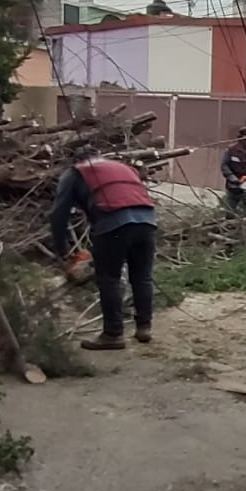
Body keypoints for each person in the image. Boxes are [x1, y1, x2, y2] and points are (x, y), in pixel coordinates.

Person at [51, 146, 158, 350]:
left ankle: (113, 334)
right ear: (98, 156)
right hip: (147, 221)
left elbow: (58, 215)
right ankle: (144, 327)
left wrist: (63, 251)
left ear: (75, 160)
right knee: (142, 277)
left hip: (113, 223)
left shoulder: (74, 173)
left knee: (109, 279)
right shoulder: (123, 167)